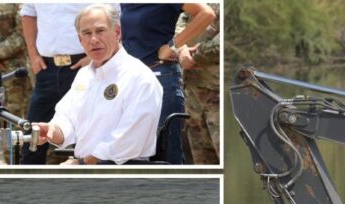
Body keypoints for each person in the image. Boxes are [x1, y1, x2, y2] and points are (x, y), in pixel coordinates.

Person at [34, 4, 163, 165]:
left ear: (117, 32)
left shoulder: (139, 77)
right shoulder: (84, 75)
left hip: (121, 174)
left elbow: (130, 140)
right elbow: (67, 118)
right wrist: (52, 131)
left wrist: (82, 164)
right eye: (86, 33)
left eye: (100, 31)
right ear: (80, 40)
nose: (93, 39)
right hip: (87, 170)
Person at [121, 3, 216, 164]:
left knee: (167, 153)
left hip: (161, 75)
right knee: (133, 153)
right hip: (132, 80)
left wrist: (172, 46)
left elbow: (206, 14)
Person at [19, 3, 94, 164]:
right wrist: (32, 54)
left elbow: (114, 17)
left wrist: (94, 58)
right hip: (46, 69)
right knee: (33, 136)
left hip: (84, 65)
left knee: (85, 136)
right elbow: (28, 14)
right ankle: (26, 186)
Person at [175, 4, 220, 164]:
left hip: (218, 93)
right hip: (192, 95)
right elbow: (181, 20)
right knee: (202, 162)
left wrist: (196, 56)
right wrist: (181, 48)